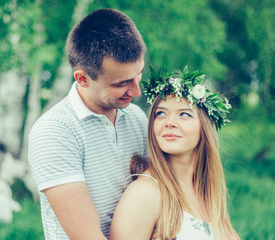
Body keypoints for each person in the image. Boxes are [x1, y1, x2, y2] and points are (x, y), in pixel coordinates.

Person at [28, 8, 148, 240]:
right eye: (122, 83)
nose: (136, 91)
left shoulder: (136, 118)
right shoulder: (55, 132)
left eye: (138, 75)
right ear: (82, 78)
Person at [110, 66, 240, 240]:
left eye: (184, 114)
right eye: (161, 113)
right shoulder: (145, 193)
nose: (169, 122)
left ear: (205, 128)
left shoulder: (207, 193)